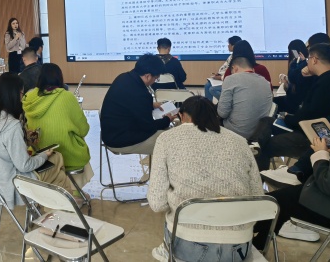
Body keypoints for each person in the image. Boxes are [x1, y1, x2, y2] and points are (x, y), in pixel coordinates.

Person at [148, 96, 264, 262]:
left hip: (188, 242)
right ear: (214, 116)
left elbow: (157, 203)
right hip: (238, 247)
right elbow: (257, 196)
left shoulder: (166, 139)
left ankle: (168, 250)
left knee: (171, 217)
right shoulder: (239, 141)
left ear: (182, 116)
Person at [253, 84, 330, 247]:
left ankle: (245, 239)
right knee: (276, 203)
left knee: (272, 205)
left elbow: (328, 185)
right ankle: (255, 244)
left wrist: (321, 154)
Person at [0, 73, 77, 207]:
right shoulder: (11, 125)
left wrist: (23, 139)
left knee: (57, 175)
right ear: (13, 95)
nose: (22, 98)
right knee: (57, 160)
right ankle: (62, 209)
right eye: (22, 93)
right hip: (15, 186)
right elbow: (24, 166)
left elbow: (2, 148)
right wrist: (44, 155)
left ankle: (56, 209)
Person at [255, 43, 330, 170]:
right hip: (309, 127)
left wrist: (288, 118)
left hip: (313, 135)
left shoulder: (327, 83)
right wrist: (304, 78)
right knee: (266, 121)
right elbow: (301, 102)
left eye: (308, 59)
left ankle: (258, 167)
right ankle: (255, 146)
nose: (307, 62)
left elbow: (307, 115)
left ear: (314, 60)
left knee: (267, 146)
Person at [23, 63, 91, 175]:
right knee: (82, 150)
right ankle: (73, 186)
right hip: (68, 157)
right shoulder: (67, 97)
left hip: (37, 155)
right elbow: (84, 129)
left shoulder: (29, 97)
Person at [100, 54, 172, 155]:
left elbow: (130, 104)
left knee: (168, 133)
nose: (154, 81)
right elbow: (149, 127)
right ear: (147, 76)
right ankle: (158, 163)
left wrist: (150, 105)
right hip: (120, 141)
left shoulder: (124, 77)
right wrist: (167, 119)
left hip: (111, 134)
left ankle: (154, 160)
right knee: (172, 141)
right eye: (156, 78)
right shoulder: (140, 93)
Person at [217, 56, 273, 139]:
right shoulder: (266, 82)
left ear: (234, 68)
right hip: (260, 133)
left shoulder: (230, 79)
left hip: (237, 132)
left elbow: (222, 113)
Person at [275, 39, 309, 114]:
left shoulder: (302, 64)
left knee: (275, 103)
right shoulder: (300, 63)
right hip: (295, 100)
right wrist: (286, 84)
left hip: (296, 103)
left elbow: (293, 78)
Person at [204, 36, 241, 101]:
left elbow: (233, 73)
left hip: (229, 80)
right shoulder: (231, 56)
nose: (228, 46)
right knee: (207, 85)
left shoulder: (238, 58)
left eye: (229, 44)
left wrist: (220, 77)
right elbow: (225, 67)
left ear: (233, 46)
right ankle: (208, 105)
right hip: (224, 77)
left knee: (212, 89)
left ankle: (226, 103)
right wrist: (219, 74)